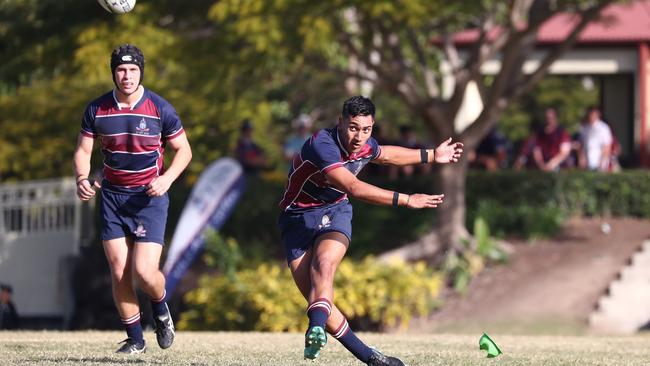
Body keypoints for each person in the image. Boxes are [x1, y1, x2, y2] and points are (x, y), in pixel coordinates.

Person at [278, 96, 463, 365]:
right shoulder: (323, 144)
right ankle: (371, 357)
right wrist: (407, 199)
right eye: (353, 127)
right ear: (340, 122)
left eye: (366, 130)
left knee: (324, 266)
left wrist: (432, 155)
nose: (359, 137)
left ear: (372, 126)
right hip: (296, 219)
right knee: (319, 302)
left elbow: (386, 154)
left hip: (335, 212)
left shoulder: (364, 144)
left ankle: (313, 330)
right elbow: (353, 187)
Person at [73, 44, 192, 354]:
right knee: (118, 270)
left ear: (141, 72)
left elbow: (184, 150)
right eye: (121, 70)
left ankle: (160, 306)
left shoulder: (159, 108)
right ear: (114, 73)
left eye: (133, 70)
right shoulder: (97, 109)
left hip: (148, 199)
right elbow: (84, 151)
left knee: (144, 271)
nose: (127, 76)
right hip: (112, 197)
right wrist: (83, 179)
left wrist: (166, 179)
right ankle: (136, 338)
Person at [531, 107, 572, 171]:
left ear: (555, 118)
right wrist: (541, 164)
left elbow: (564, 153)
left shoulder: (562, 132)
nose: (548, 120)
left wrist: (551, 165)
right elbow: (536, 150)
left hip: (560, 167)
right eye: (546, 118)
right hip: (543, 167)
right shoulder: (540, 133)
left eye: (551, 118)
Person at [579, 106, 613, 171]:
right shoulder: (585, 128)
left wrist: (601, 161)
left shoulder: (604, 128)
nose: (592, 116)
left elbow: (607, 146)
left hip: (600, 160)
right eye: (590, 114)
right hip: (588, 160)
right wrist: (582, 158)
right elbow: (582, 145)